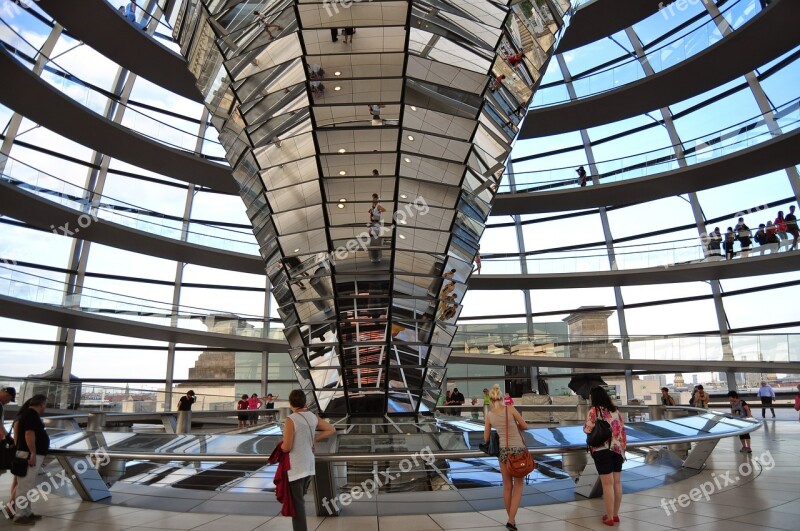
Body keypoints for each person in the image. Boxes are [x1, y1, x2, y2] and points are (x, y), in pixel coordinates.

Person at [280, 390, 336, 531]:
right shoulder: (312, 417)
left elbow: (286, 447)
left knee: (297, 505)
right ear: (304, 402)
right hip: (309, 465)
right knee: (299, 501)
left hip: (296, 467)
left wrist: (280, 447)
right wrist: (314, 439)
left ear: (291, 403)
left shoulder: (291, 419)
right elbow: (331, 429)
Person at [483, 384, 528, 531]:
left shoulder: (489, 415)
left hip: (503, 452)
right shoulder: (510, 409)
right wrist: (513, 425)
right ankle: (511, 519)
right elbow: (525, 426)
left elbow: (486, 438)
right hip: (519, 451)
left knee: (507, 486)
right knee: (519, 485)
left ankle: (511, 520)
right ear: (502, 398)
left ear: (490, 399)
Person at [583, 386, 626, 527]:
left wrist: (585, 427)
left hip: (602, 450)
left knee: (607, 484)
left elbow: (588, 429)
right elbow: (622, 431)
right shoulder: (615, 411)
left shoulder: (594, 410)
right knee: (617, 483)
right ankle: (615, 514)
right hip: (617, 450)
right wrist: (622, 448)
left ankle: (609, 517)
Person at [12, 394, 49, 525]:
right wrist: (32, 453)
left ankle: (27, 512)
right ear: (41, 404)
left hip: (30, 454)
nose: (45, 407)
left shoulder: (29, 414)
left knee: (28, 485)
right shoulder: (31, 415)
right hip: (29, 455)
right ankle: (20, 515)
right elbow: (29, 434)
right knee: (25, 485)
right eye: (45, 404)